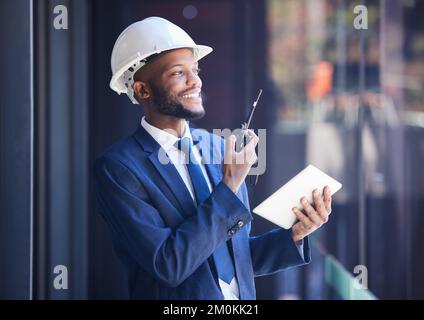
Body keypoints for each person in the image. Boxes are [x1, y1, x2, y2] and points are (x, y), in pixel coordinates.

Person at [93, 17, 332, 300]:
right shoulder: (119, 167)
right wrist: (229, 187)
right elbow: (168, 265)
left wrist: (294, 235)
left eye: (195, 69)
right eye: (178, 73)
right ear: (143, 90)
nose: (195, 81)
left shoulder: (217, 147)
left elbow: (231, 256)